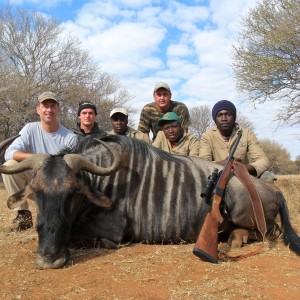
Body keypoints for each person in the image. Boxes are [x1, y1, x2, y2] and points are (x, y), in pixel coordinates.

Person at [2, 92, 78, 231]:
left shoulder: (70, 137)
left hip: (57, 188)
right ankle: (23, 215)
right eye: (45, 106)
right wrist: (38, 158)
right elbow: (9, 153)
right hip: (34, 183)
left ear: (58, 109)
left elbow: (71, 172)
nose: (49, 110)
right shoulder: (30, 129)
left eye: (52, 106)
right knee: (10, 166)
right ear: (38, 109)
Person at [198, 99, 275, 181]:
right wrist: (223, 164)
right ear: (215, 119)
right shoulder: (207, 136)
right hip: (216, 176)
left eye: (228, 114)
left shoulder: (246, 134)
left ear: (234, 117)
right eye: (219, 115)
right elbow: (203, 163)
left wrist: (245, 168)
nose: (224, 118)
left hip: (242, 175)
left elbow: (263, 160)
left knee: (268, 176)